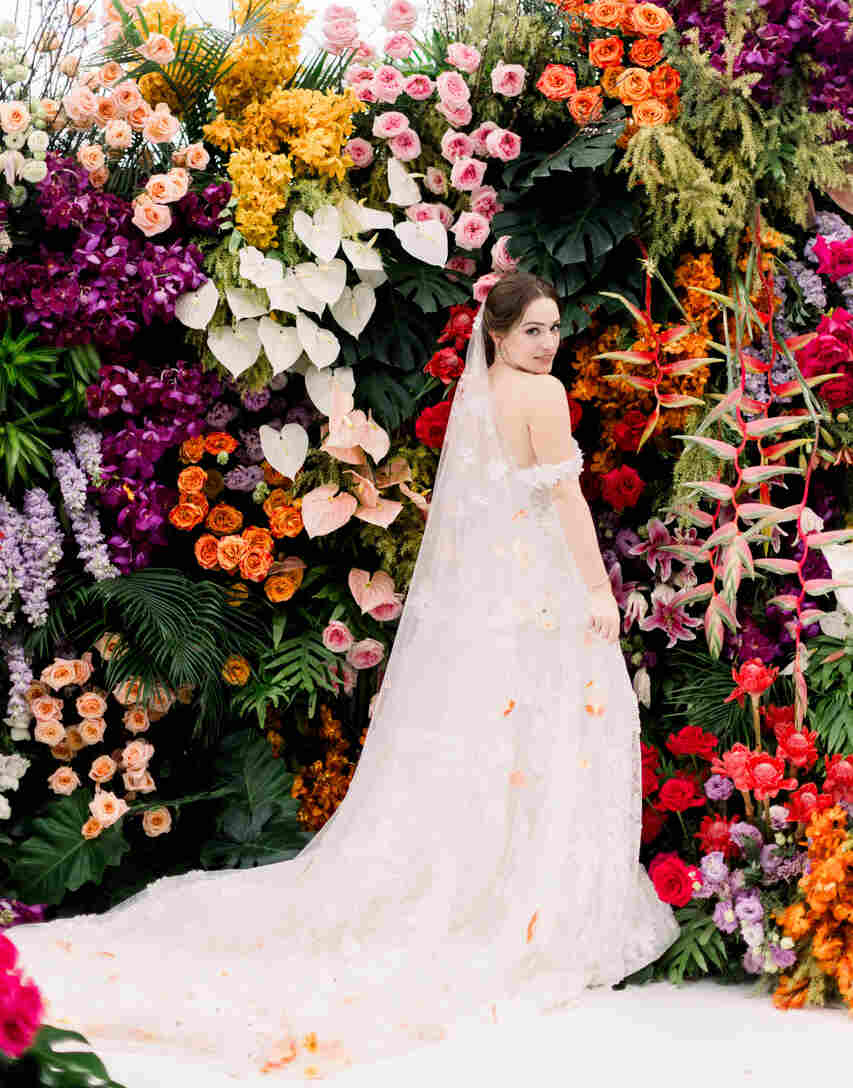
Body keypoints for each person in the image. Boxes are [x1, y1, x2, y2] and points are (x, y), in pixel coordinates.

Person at [9, 271, 680, 1081]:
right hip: (537, 593)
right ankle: (534, 906)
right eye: (533, 329)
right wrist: (596, 593)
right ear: (496, 335)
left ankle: (503, 887)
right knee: (546, 735)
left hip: (493, 598)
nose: (549, 343)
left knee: (499, 738)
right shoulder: (541, 398)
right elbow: (566, 505)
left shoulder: (485, 394)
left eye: (552, 328)